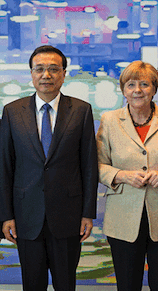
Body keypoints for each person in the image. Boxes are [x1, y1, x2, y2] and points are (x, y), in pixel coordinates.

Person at [0, 45, 98, 290]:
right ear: (31, 74)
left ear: (64, 74)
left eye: (54, 69)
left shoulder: (81, 110)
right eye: (40, 69)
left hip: (68, 215)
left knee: (66, 283)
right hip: (26, 216)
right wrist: (6, 215)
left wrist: (88, 213)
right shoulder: (12, 112)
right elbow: (4, 167)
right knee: (32, 284)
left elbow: (88, 165)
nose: (46, 75)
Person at [97, 60, 158, 291]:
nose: (137, 90)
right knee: (127, 285)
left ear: (154, 89)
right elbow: (98, 165)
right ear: (123, 89)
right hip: (123, 217)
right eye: (131, 84)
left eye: (144, 84)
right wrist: (122, 175)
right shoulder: (109, 120)